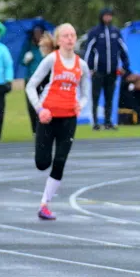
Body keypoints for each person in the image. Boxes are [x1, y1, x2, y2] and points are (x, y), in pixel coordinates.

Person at [26, 23, 91, 221]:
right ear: (59, 40)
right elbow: (31, 86)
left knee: (60, 161)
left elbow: (87, 93)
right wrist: (40, 109)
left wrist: (80, 104)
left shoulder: (82, 65)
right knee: (42, 163)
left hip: (69, 119)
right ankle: (45, 196)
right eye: (66, 35)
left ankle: (45, 204)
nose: (70, 39)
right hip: (48, 117)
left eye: (73, 35)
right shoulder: (51, 60)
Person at [83, 7, 130, 131]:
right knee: (96, 97)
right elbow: (88, 51)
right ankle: (94, 122)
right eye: (106, 15)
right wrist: (90, 67)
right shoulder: (95, 32)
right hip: (98, 71)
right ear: (101, 16)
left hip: (112, 71)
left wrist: (125, 66)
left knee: (109, 98)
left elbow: (123, 49)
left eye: (110, 15)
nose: (108, 18)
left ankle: (108, 122)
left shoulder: (116, 31)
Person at [24, 32, 56, 134]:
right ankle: (36, 129)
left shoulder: (51, 59)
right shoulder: (29, 47)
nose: (41, 49)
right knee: (33, 107)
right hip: (34, 79)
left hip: (48, 89)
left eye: (43, 47)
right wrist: (26, 59)